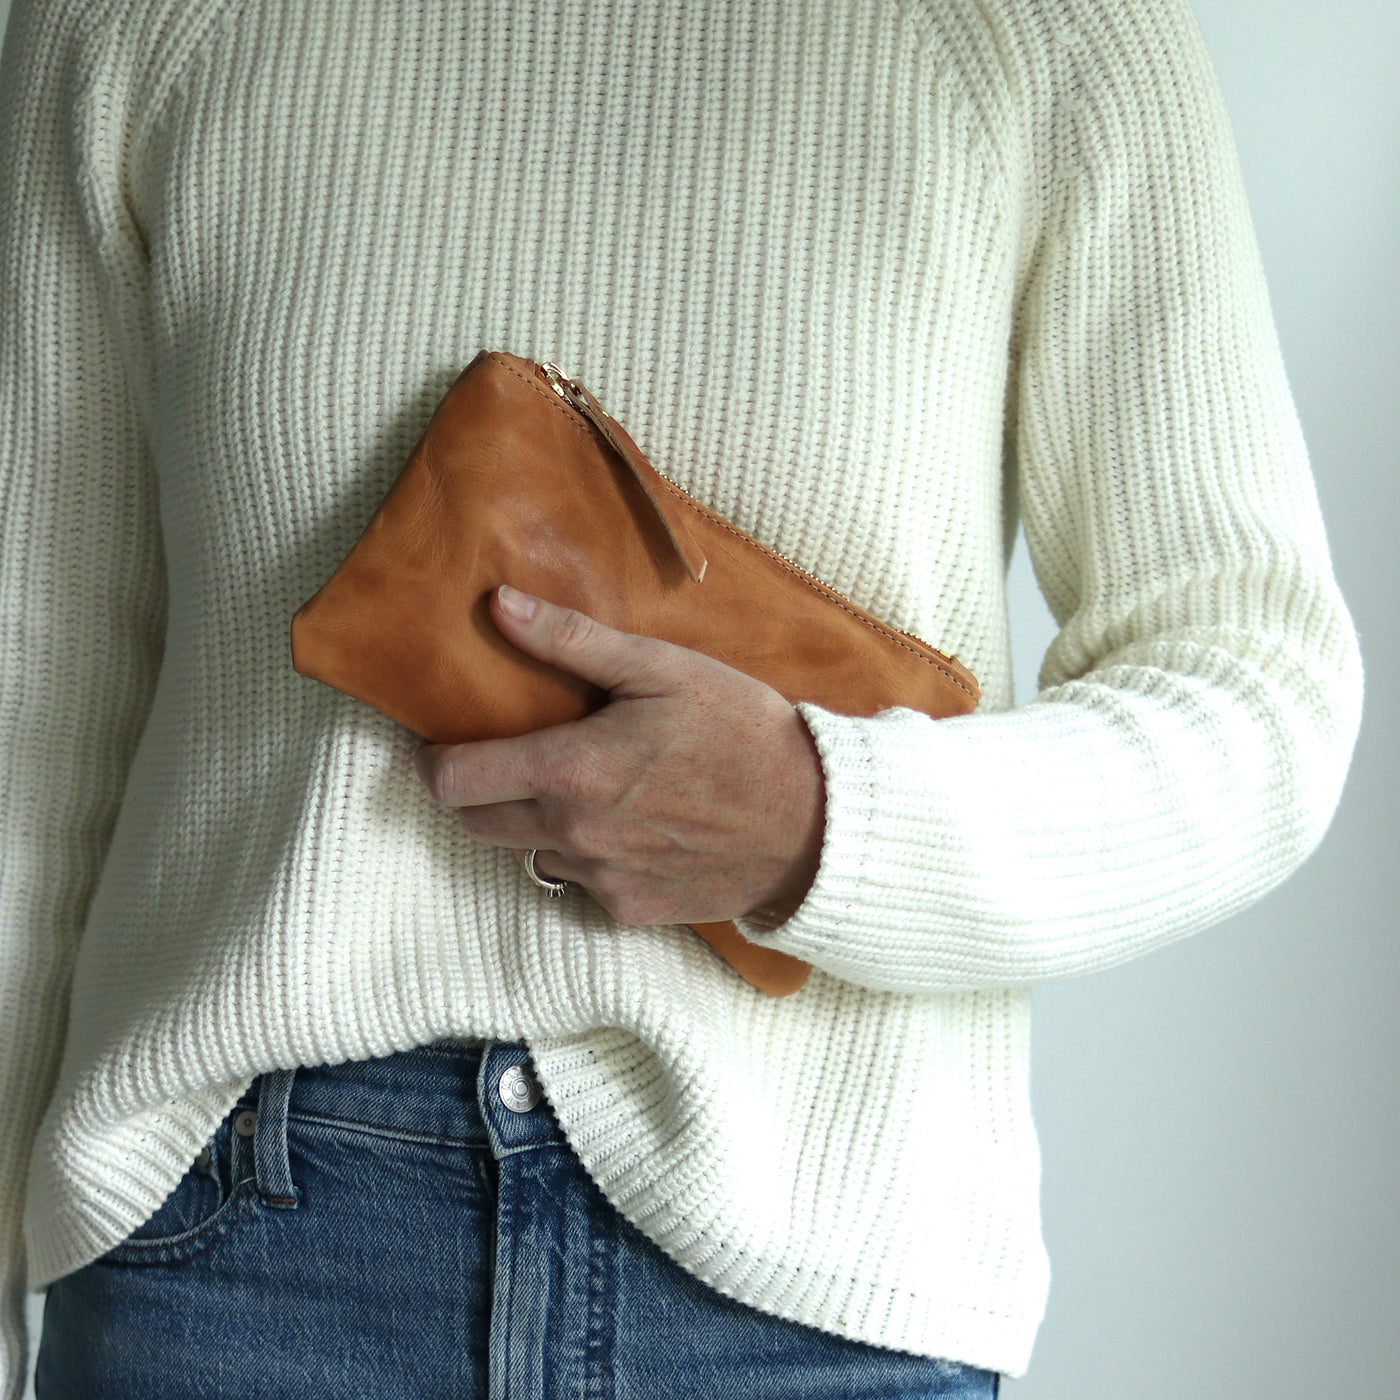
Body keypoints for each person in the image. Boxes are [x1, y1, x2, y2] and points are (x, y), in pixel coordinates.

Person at [0, 0, 1362, 1395]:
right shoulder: (135, 27)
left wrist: (825, 820)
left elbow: (1257, 693)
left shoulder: (1044, 35)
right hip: (234, 1251)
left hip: (818, 1269)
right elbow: (31, 729)